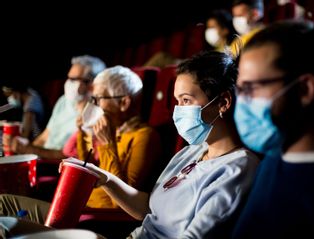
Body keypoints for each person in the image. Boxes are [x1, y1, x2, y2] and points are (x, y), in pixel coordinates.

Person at [63, 51, 259, 238]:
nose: (178, 111)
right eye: (177, 101)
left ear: (223, 102)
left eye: (186, 100)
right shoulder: (191, 152)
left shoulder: (238, 168)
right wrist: (104, 177)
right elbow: (148, 208)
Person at [232, 12, 314, 238]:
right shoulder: (272, 160)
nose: (241, 102)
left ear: (304, 90)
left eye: (250, 89)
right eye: (239, 90)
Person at [0, 65, 163, 219]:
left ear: (124, 103)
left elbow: (121, 200)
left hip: (94, 216)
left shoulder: (144, 136)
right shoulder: (112, 130)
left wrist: (108, 145)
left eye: (99, 99)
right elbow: (88, 170)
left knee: (4, 205)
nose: (94, 105)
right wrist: (83, 134)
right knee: (5, 203)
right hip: (78, 205)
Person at [10, 55, 106, 160]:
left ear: (92, 83)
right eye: (68, 78)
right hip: (40, 160)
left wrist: (29, 150)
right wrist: (24, 152)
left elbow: (71, 157)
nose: (68, 83)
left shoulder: (96, 115)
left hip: (57, 167)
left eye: (73, 79)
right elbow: (44, 137)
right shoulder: (63, 101)